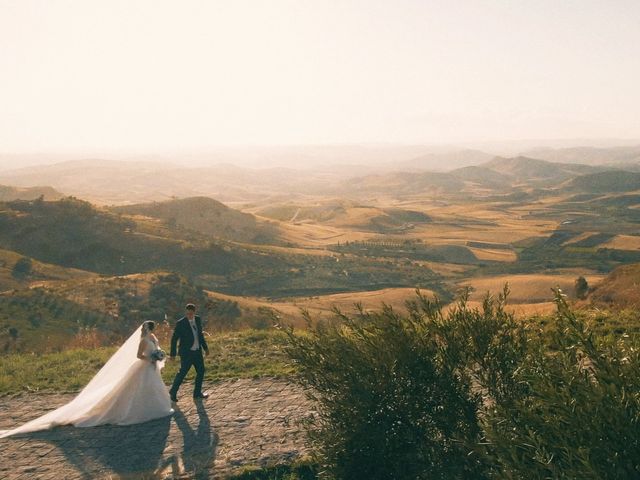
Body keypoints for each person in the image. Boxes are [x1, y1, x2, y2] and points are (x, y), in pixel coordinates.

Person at [0, 321, 174, 438]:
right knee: (134, 390)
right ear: (148, 329)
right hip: (144, 366)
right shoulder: (143, 340)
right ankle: (135, 411)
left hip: (151, 367)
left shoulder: (152, 338)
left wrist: (158, 356)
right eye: (152, 328)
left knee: (152, 388)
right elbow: (138, 355)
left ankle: (155, 408)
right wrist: (150, 358)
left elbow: (156, 348)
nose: (153, 331)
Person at [169, 303, 209, 401]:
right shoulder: (181, 323)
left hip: (197, 351)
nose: (189, 316)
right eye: (187, 314)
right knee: (182, 373)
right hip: (186, 353)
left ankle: (197, 393)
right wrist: (172, 354)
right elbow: (174, 339)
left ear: (194, 312)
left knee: (201, 371)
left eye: (191, 314)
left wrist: (206, 348)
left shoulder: (198, 319)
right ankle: (173, 392)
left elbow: (200, 335)